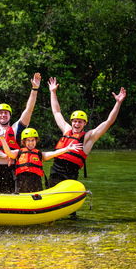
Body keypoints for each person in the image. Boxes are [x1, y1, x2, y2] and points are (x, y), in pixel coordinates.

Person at [48, 78, 126, 218]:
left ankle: (73, 225)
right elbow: (56, 112)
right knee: (50, 200)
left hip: (70, 174)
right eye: (75, 121)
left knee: (70, 210)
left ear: (84, 123)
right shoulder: (66, 129)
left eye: (80, 122)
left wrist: (117, 103)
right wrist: (53, 92)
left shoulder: (89, 137)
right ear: (72, 122)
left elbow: (108, 122)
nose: (77, 124)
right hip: (55, 171)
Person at [0, 127, 82, 193]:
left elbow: (53, 153)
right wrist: (2, 138)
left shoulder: (39, 154)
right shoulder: (19, 152)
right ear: (24, 142)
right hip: (22, 185)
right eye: (28, 140)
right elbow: (8, 152)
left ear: (36, 141)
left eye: (33, 140)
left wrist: (67, 149)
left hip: (36, 186)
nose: (31, 143)